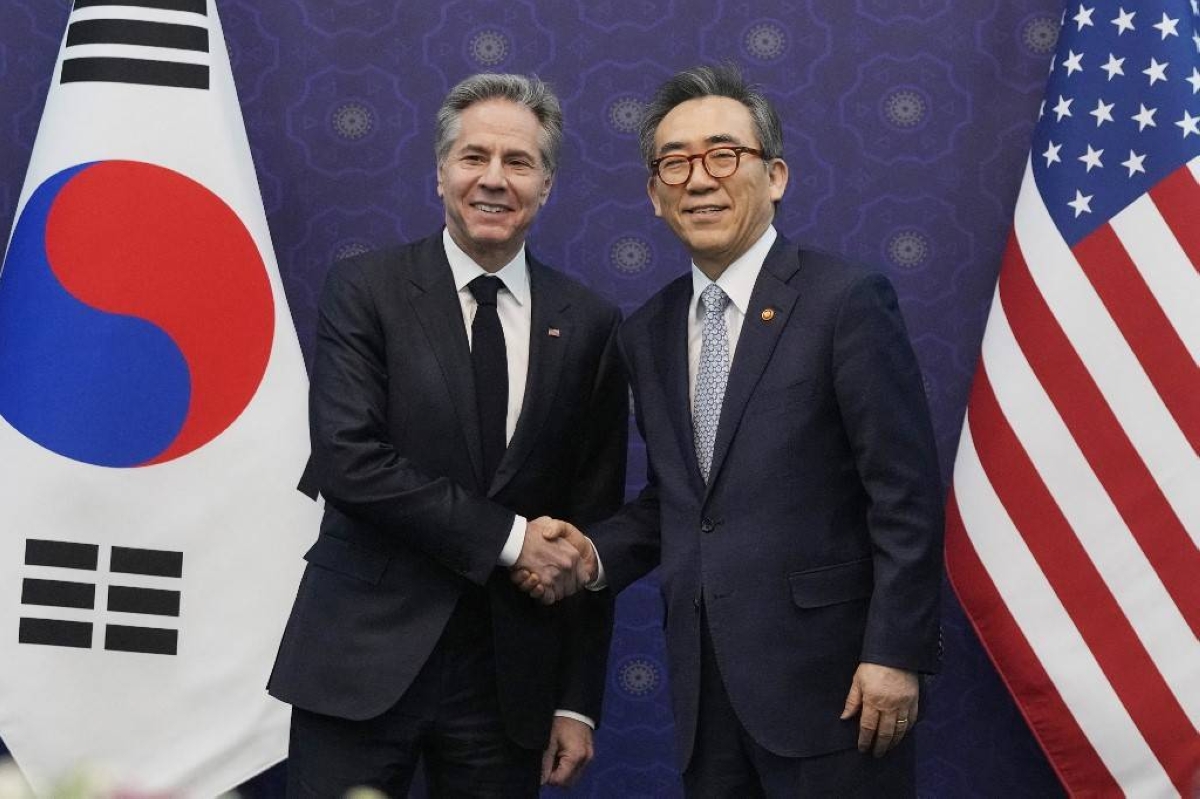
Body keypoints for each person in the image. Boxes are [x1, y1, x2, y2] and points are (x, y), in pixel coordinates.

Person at [518, 63, 944, 796]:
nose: (699, 178)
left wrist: (895, 652)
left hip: (839, 691)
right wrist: (592, 554)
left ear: (774, 175)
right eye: (674, 162)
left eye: (724, 154)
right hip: (706, 698)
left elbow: (904, 495)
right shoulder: (647, 331)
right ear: (654, 195)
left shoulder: (846, 301)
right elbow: (680, 501)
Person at [268, 73, 627, 798]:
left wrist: (575, 698)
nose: (493, 179)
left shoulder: (590, 322)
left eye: (518, 162)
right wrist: (512, 538)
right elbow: (349, 460)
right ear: (440, 173)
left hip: (509, 682)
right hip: (359, 663)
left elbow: (594, 520)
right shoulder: (364, 288)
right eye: (473, 157)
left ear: (547, 184)